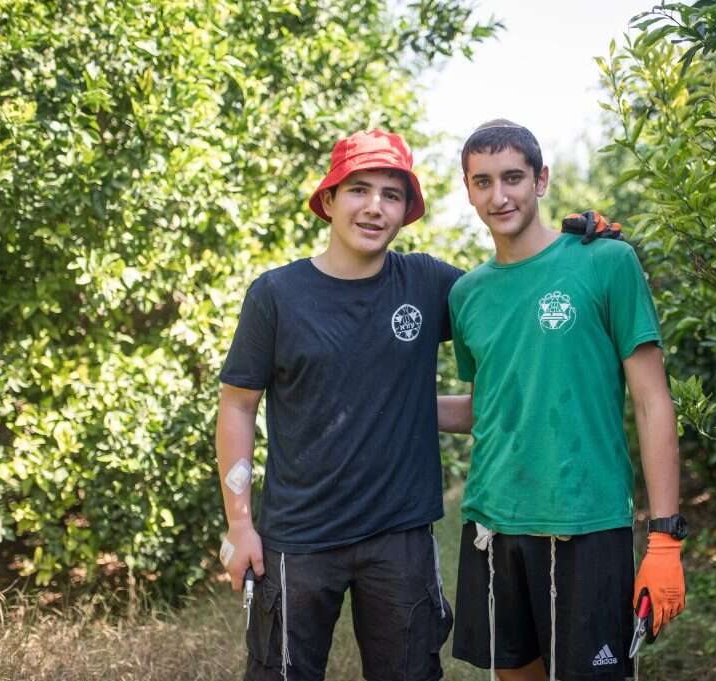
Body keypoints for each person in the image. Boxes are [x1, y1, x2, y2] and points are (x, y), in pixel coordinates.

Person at [215, 129, 464, 681]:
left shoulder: (425, 282)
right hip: (296, 539)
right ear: (329, 200)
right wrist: (240, 525)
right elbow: (237, 407)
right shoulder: (276, 295)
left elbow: (514, 294)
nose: (375, 207)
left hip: (400, 537)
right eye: (359, 189)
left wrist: (572, 247)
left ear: (405, 211)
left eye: (392, 194)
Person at [444, 119, 686, 681]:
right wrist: (395, 404)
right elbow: (488, 409)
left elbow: (653, 402)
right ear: (468, 189)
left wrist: (665, 537)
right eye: (483, 182)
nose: (498, 196)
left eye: (513, 178)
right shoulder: (467, 294)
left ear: (541, 180)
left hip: (585, 521)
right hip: (493, 523)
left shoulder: (604, 262)